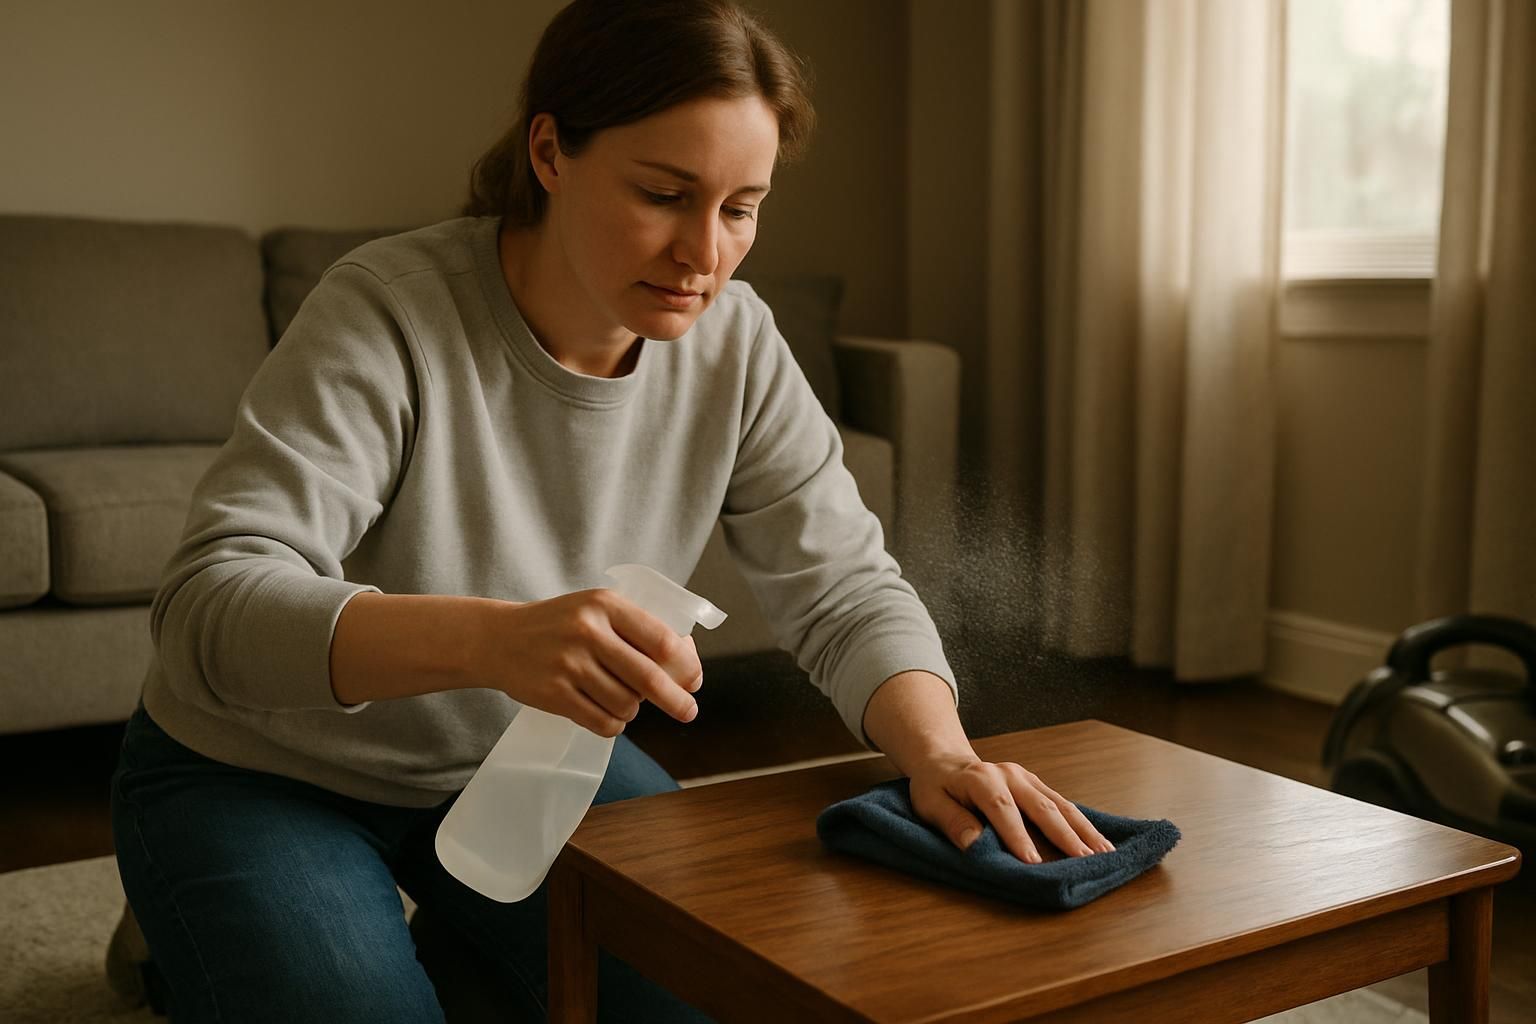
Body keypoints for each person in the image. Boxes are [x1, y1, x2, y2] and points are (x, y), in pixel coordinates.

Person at [111, 1, 1114, 1020]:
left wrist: (940, 752)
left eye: (739, 207)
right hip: (258, 771)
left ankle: (441, 941)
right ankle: (182, 926)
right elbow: (208, 607)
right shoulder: (388, 313)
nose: (704, 254)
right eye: (665, 194)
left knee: (717, 995)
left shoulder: (737, 344)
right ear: (550, 150)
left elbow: (846, 586)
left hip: (519, 760)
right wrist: (492, 641)